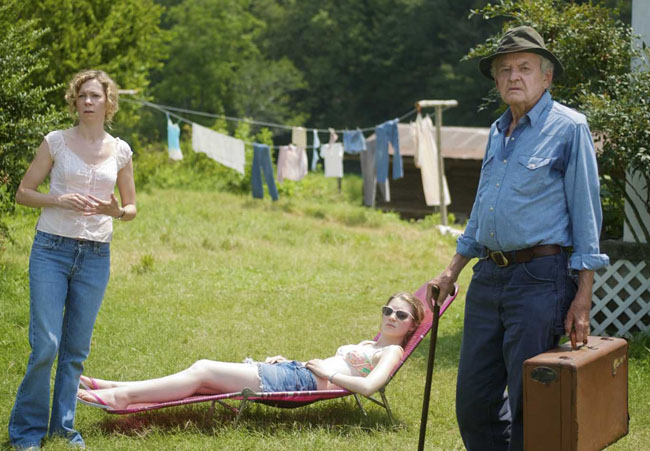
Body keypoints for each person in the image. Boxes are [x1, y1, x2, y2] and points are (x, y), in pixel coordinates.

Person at [426, 26, 609, 451]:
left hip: (540, 278)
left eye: (524, 68)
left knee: (530, 400)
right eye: (504, 69)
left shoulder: (569, 128)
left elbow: (587, 215)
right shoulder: (496, 131)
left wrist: (584, 296)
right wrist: (452, 269)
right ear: (495, 80)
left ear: (546, 77)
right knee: (473, 403)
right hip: (488, 277)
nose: (513, 76)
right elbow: (483, 208)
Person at [9, 69, 137, 449]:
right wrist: (57, 199)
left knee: (75, 352)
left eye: (95, 96)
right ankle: (26, 433)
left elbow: (131, 207)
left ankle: (62, 429)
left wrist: (114, 210)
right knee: (46, 345)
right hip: (51, 249)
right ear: (74, 101)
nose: (87, 102)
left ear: (108, 102)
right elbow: (23, 193)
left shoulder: (121, 151)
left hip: (96, 255)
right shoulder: (56, 142)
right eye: (82, 96)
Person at [76, 292, 424, 411]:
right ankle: (114, 386)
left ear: (412, 326)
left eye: (401, 315)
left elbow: (367, 387)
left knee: (203, 370)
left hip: (302, 381)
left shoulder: (389, 353)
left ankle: (122, 396)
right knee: (201, 379)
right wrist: (291, 361)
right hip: (296, 372)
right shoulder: (370, 344)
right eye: (388, 310)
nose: (392, 317)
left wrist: (325, 373)